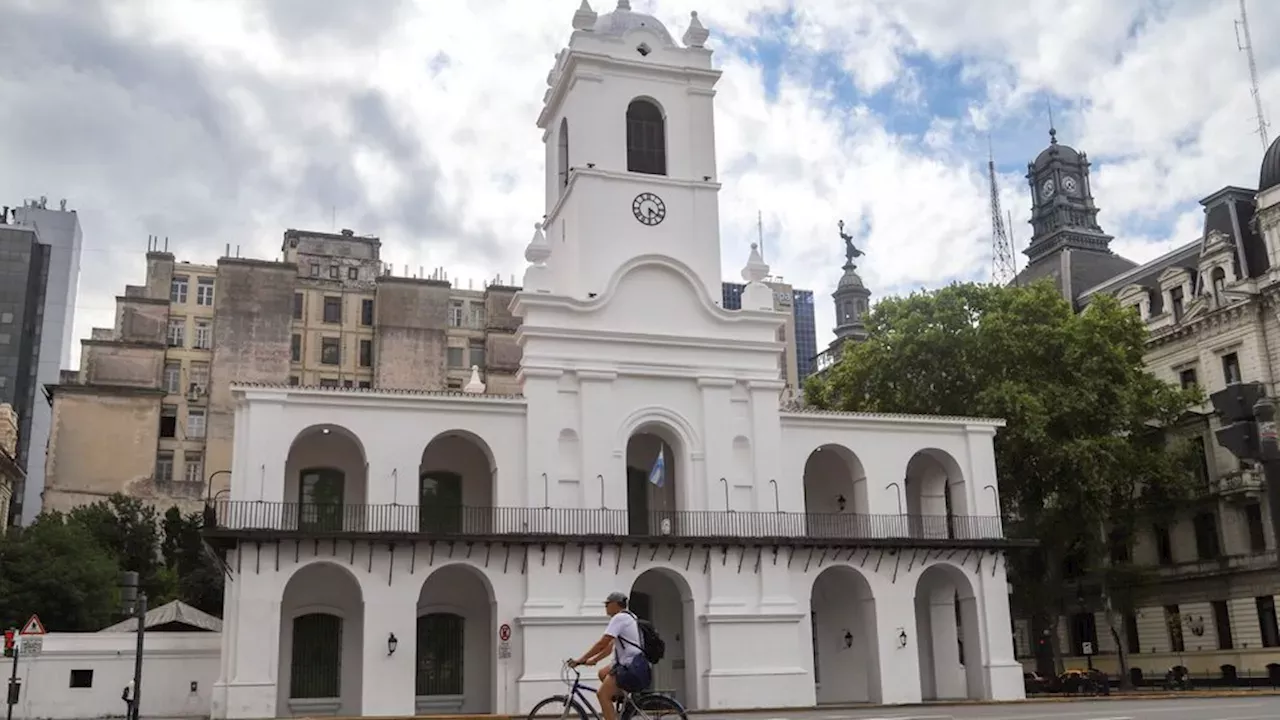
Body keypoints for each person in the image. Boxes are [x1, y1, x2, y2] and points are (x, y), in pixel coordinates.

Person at [568, 591, 649, 720]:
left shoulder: (619, 618)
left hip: (628, 666)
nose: (605, 607)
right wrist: (594, 660)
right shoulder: (630, 616)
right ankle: (624, 703)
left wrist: (581, 659)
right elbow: (609, 647)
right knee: (602, 673)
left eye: (607, 604)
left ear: (616, 604)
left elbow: (602, 643)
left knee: (602, 695)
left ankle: (616, 709)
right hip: (634, 664)